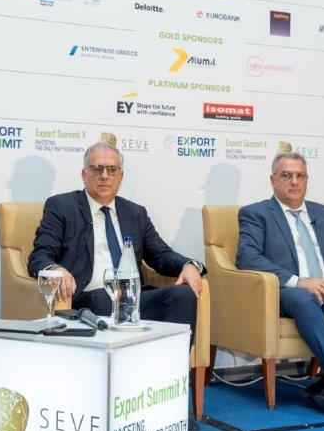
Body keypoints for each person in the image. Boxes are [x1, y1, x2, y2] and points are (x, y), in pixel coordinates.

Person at [236, 152, 324, 418]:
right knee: (303, 298)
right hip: (289, 293)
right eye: (286, 175)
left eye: (300, 176)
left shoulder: (323, 213)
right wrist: (299, 282)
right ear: (273, 180)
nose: (294, 181)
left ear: (307, 180)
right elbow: (247, 257)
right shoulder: (256, 213)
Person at [28, 142, 203, 337]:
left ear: (121, 176)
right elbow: (39, 257)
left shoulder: (135, 212)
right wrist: (56, 269)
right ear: (84, 175)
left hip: (132, 300)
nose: (104, 176)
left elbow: (161, 255)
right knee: (105, 298)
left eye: (112, 170)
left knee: (182, 295)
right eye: (97, 168)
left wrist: (189, 265)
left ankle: (173, 358)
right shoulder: (62, 207)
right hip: (88, 300)